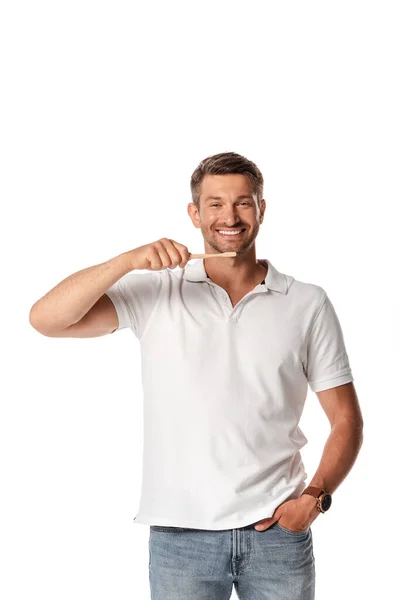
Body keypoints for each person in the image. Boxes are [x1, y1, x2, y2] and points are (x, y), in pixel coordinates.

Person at [29, 151, 364, 600]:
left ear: (262, 209)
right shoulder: (157, 288)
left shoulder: (306, 302)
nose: (230, 216)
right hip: (179, 537)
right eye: (215, 204)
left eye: (243, 202)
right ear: (195, 213)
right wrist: (125, 261)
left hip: (277, 534)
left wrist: (315, 498)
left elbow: (346, 418)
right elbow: (47, 320)